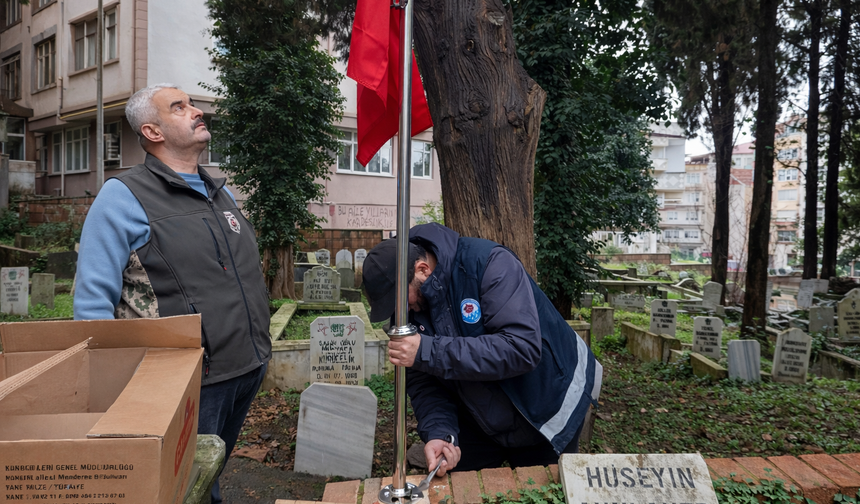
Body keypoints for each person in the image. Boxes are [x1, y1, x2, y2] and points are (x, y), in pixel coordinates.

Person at [74, 83, 271, 504]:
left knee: (208, 474)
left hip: (246, 367)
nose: (196, 111)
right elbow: (92, 303)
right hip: (185, 381)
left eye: (192, 104)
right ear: (153, 131)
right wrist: (107, 387)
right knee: (182, 488)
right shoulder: (123, 196)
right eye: (179, 107)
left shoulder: (222, 193)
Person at [362, 223, 602, 476]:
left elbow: (520, 348)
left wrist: (427, 351)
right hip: (480, 415)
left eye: (401, 300)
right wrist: (439, 433)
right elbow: (424, 382)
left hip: (546, 404)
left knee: (546, 490)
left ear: (423, 270)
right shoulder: (407, 308)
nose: (403, 312)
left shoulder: (489, 263)